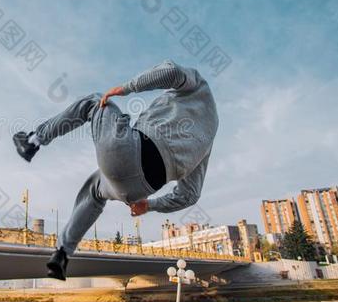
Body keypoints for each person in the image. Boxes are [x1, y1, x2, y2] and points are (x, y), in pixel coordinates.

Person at [12, 59, 218, 280]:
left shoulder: (198, 85)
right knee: (95, 191)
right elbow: (189, 195)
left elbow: (171, 72)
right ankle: (61, 255)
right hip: (141, 188)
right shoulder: (208, 134)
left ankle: (33, 141)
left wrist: (126, 88)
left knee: (94, 102)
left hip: (129, 150)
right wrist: (148, 205)